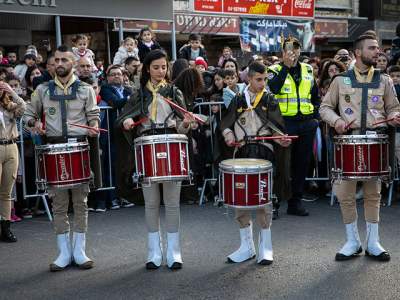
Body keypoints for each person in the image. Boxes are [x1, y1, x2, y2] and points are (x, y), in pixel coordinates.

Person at [320, 31, 400, 261]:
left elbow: (394, 107)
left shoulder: (384, 80)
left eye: (378, 48)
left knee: (373, 194)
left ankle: (373, 242)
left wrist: (394, 116)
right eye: (372, 48)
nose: (378, 52)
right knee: (345, 193)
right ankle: (352, 241)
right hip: (348, 142)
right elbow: (324, 108)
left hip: (376, 142)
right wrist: (337, 122)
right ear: (358, 52)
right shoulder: (340, 80)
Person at [116, 49, 197, 270]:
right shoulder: (138, 94)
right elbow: (125, 117)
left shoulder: (174, 92)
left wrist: (187, 124)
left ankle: (174, 251)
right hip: (146, 147)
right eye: (156, 67)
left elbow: (183, 125)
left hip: (170, 145)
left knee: (172, 203)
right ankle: (153, 251)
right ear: (147, 69)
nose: (160, 71)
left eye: (164, 67)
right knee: (151, 203)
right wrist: (126, 122)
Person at [24, 45, 100, 271]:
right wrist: (34, 123)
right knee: (58, 204)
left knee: (80, 203)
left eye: (64, 60)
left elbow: (93, 116)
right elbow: (29, 114)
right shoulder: (42, 90)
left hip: (79, 148)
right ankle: (63, 252)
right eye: (56, 60)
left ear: (73, 63)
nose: (59, 64)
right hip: (54, 150)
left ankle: (80, 250)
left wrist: (93, 127)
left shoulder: (85, 89)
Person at [220, 62, 291, 264]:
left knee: (263, 199)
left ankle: (265, 247)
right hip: (241, 152)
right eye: (258, 79)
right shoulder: (238, 99)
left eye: (264, 79)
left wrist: (281, 140)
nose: (262, 83)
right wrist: (228, 135)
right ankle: (246, 247)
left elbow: (277, 129)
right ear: (248, 79)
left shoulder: (270, 99)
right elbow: (226, 123)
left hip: (264, 153)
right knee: (241, 200)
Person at [267, 36, 320, 216]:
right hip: (284, 123)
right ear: (283, 52)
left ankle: (295, 202)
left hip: (306, 123)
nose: (293, 51)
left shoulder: (308, 69)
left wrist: (315, 117)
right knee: (282, 164)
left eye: (296, 48)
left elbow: (314, 95)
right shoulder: (274, 69)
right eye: (289, 48)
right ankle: (275, 202)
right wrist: (286, 67)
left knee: (302, 164)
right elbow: (273, 88)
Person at [99, 65, 134, 209]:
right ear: (107, 78)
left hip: (128, 133)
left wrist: (130, 98)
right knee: (112, 166)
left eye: (119, 74)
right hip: (112, 134)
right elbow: (114, 103)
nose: (116, 76)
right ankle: (112, 197)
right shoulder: (106, 89)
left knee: (126, 166)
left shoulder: (128, 90)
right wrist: (130, 99)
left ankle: (124, 196)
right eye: (112, 74)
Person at [0, 81, 26, 242]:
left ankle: (6, 228)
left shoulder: (9, 105)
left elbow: (23, 107)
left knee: (6, 192)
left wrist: (11, 91)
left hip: (11, 147)